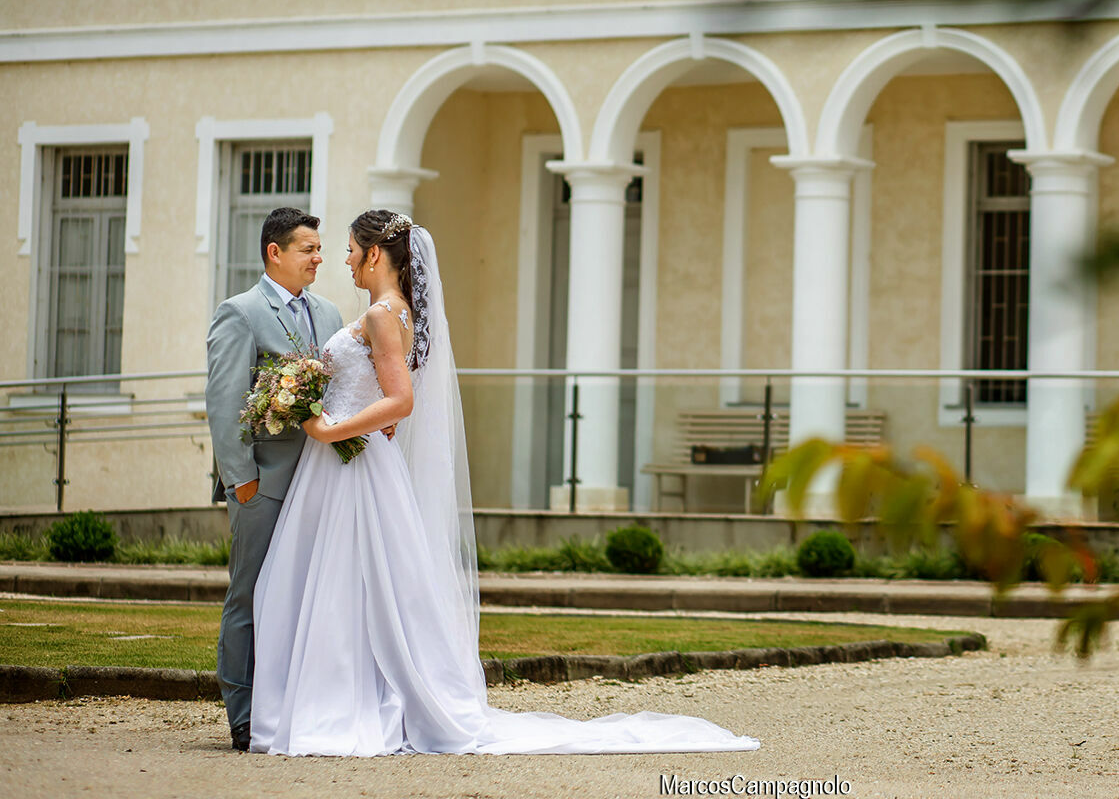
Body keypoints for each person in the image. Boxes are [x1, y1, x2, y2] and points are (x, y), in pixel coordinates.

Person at [248, 209, 759, 756]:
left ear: (374, 254)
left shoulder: (379, 315)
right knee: (359, 586)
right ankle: (347, 697)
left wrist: (326, 428)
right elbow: (388, 402)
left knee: (347, 584)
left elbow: (401, 400)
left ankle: (337, 706)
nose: (343, 259)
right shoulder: (397, 313)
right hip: (358, 463)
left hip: (351, 464)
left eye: (350, 249)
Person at [204, 207, 344, 752]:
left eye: (320, 248)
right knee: (251, 594)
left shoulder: (330, 313)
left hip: (321, 482)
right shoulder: (239, 313)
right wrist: (242, 482)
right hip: (263, 485)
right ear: (275, 253)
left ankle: (288, 705)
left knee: (303, 596)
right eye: (308, 248)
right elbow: (224, 402)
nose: (319, 257)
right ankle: (242, 714)